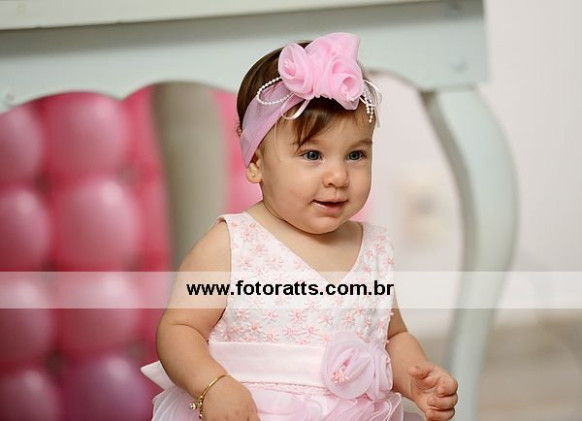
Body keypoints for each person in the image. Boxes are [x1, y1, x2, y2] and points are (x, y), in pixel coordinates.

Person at [142, 32, 458, 421]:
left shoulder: (373, 249)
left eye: (355, 154)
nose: (338, 176)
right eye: (312, 155)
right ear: (256, 162)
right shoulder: (232, 245)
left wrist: (414, 377)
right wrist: (213, 384)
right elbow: (179, 328)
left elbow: (392, 335)